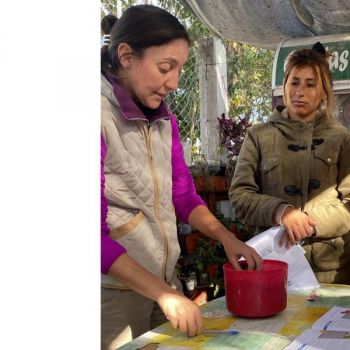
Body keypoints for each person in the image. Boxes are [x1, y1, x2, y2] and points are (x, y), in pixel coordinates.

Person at [100, 5, 262, 350]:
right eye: (165, 68)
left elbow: (184, 194)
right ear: (126, 56)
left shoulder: (163, 119)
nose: (173, 83)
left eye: (179, 69)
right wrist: (164, 294)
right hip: (111, 294)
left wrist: (225, 238)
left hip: (161, 282)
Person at [228, 42, 350, 286]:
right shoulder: (259, 135)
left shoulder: (342, 138)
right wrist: (282, 213)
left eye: (310, 84)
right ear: (284, 86)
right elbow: (240, 196)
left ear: (324, 92)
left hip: (335, 272)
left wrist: (309, 222)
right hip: (274, 267)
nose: (299, 92)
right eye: (294, 82)